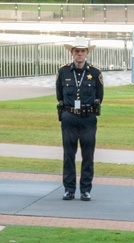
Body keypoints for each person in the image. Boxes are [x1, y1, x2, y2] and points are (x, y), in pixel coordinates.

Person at [55, 37, 103, 202]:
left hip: (88, 117)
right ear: (72, 52)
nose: (79, 54)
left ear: (87, 53)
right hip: (69, 116)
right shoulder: (63, 72)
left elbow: (100, 96)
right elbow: (59, 94)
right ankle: (69, 189)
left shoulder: (95, 73)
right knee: (69, 153)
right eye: (77, 51)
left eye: (82, 51)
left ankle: (85, 190)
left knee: (88, 154)